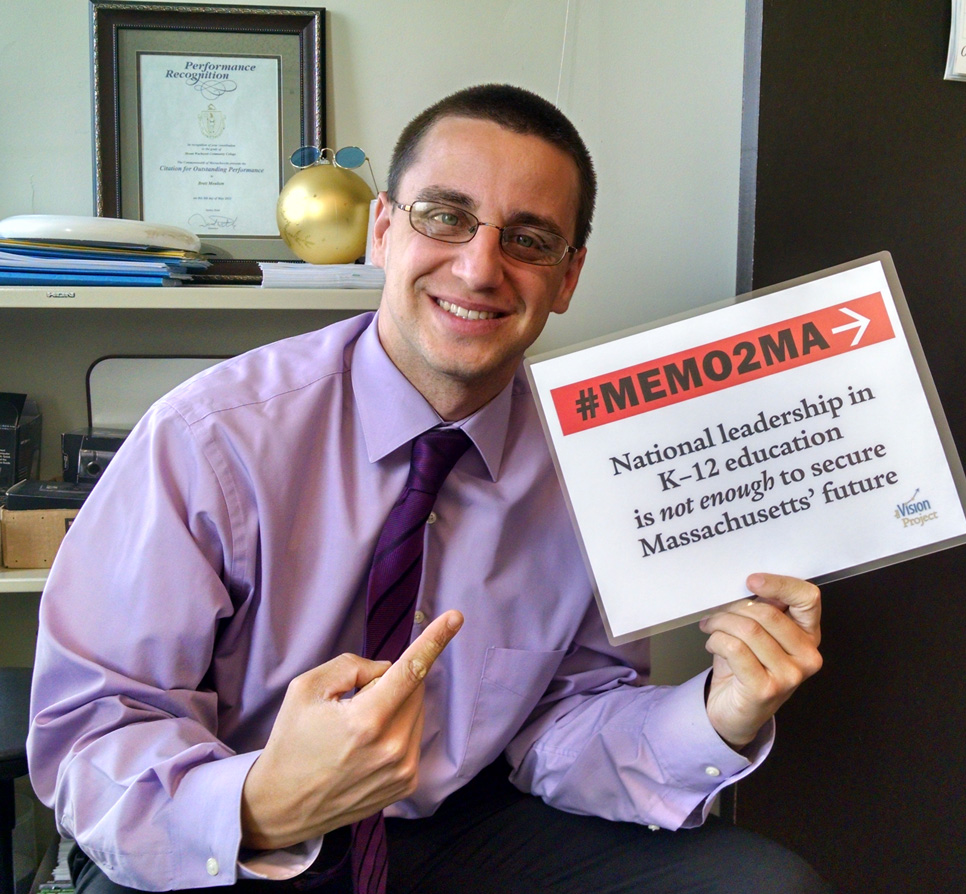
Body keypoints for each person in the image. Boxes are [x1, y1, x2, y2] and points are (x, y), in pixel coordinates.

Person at [28, 84, 829, 894]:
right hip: (224, 833)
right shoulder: (210, 439)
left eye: (528, 238)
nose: (480, 269)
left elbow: (566, 719)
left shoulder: (593, 460)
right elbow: (91, 735)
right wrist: (266, 803)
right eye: (445, 216)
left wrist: (715, 714)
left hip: (456, 829)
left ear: (568, 276)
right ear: (383, 229)